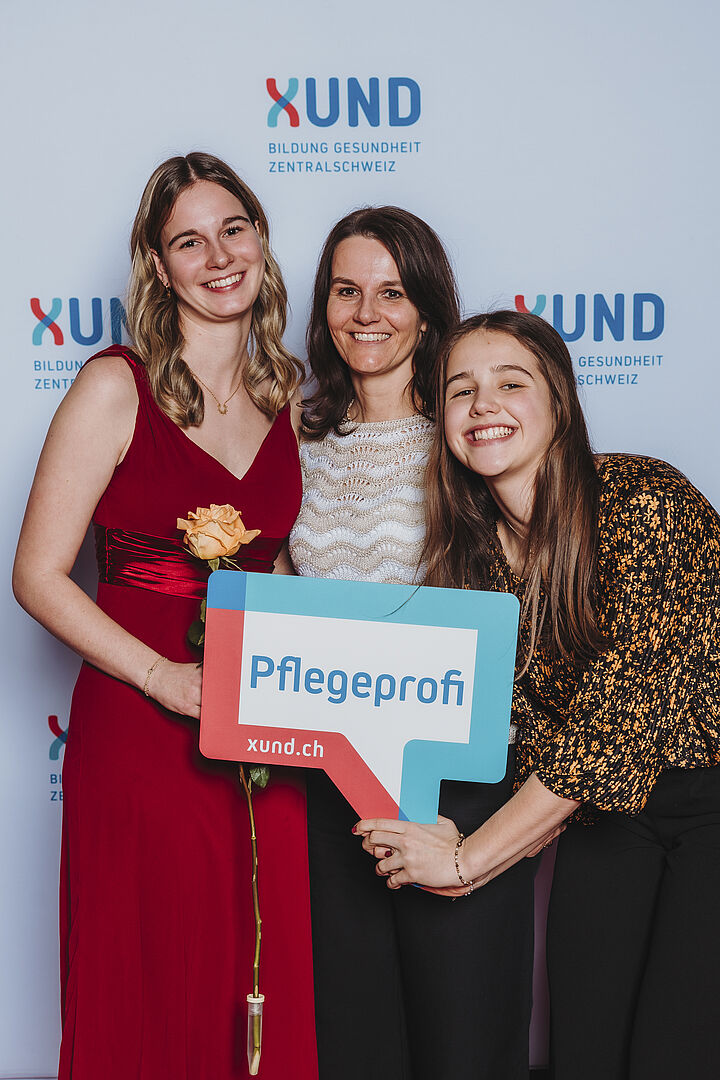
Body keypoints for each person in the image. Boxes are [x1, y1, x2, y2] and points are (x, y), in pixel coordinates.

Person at [13, 152, 318, 1080]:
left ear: (261, 238)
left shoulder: (290, 398)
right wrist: (161, 678)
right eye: (190, 241)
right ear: (157, 264)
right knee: (149, 963)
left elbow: (291, 569)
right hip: (141, 722)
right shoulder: (116, 386)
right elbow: (36, 575)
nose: (219, 257)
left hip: (262, 728)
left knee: (254, 961)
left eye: (234, 230)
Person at [356, 310, 720, 1080]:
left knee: (677, 1051)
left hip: (709, 796)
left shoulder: (646, 501)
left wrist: (464, 861)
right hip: (604, 818)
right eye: (461, 390)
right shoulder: (474, 563)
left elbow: (610, 729)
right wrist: (430, 839)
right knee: (584, 1050)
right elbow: (523, 737)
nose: (483, 404)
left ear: (559, 401)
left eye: (510, 383)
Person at [289, 212, 537, 1080]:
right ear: (323, 307)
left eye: (392, 292)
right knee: (356, 1043)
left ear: (427, 311)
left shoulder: (470, 436)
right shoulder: (296, 439)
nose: (367, 313)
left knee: (464, 1044)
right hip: (331, 784)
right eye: (346, 291)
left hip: (456, 783)